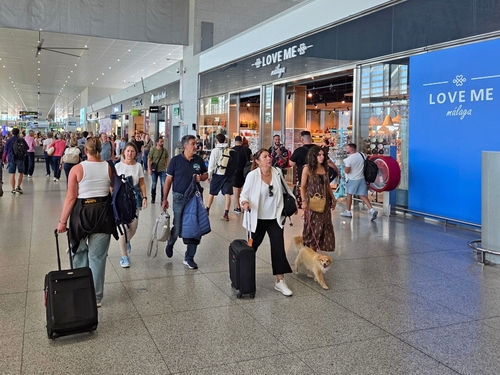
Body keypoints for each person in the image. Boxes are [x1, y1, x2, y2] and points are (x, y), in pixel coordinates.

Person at [56, 137, 117, 308]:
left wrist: (62, 222)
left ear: (86, 151)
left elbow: (71, 198)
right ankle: (96, 297)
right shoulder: (108, 167)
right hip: (103, 214)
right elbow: (112, 188)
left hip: (81, 215)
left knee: (79, 252)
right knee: (97, 258)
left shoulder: (77, 169)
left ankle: (80, 288)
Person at [240, 148, 295, 297]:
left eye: (269, 156)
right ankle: (243, 278)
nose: (269, 158)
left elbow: (286, 190)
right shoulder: (252, 175)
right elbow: (243, 195)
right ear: (257, 161)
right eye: (265, 157)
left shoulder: (277, 172)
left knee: (278, 248)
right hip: (256, 219)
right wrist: (244, 203)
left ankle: (280, 281)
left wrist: (293, 204)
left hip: (274, 218)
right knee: (250, 250)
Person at [161, 135, 208, 270]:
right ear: (185, 146)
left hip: (195, 198)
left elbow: (206, 175)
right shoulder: (175, 161)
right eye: (193, 144)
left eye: (196, 143)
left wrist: (201, 177)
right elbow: (168, 181)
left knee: (195, 227)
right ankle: (171, 242)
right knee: (178, 226)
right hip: (179, 198)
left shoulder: (198, 160)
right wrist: (164, 199)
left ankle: (189, 258)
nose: (196, 146)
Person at [115, 142, 147, 268]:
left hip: (134, 199)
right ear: (124, 152)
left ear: (136, 153)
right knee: (123, 229)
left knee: (133, 228)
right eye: (128, 151)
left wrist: (144, 197)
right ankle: (124, 256)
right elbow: (113, 185)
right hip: (121, 200)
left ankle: (126, 242)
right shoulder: (117, 166)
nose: (130, 153)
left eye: (132, 151)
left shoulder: (138, 166)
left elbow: (142, 183)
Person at [300, 145, 336, 252]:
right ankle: (312, 253)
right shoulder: (307, 168)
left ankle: (316, 252)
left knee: (324, 225)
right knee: (314, 227)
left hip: (325, 201)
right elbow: (302, 186)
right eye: (319, 155)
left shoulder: (325, 168)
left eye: (323, 155)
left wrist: (333, 198)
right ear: (313, 156)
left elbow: (328, 185)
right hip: (312, 201)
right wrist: (304, 201)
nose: (321, 157)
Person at [340, 143, 378, 221]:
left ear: (351, 149)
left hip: (352, 179)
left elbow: (347, 171)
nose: (346, 150)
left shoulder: (349, 159)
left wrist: (344, 168)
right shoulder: (361, 155)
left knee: (349, 195)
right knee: (362, 195)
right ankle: (371, 210)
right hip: (361, 178)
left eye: (347, 148)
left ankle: (348, 211)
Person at [206, 133, 235, 221]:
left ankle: (207, 209)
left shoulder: (215, 150)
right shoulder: (230, 150)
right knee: (227, 194)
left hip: (218, 174)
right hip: (228, 174)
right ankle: (226, 213)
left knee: (212, 192)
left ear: (217, 141)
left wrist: (209, 175)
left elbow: (211, 164)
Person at [2, 128, 28, 194]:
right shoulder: (22, 140)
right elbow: (27, 148)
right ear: (18, 133)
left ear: (12, 133)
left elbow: (5, 151)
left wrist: (4, 159)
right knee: (21, 173)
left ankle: (13, 189)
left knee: (12, 174)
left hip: (11, 158)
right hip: (20, 158)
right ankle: (18, 187)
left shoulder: (9, 140)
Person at [232, 135, 252, 214]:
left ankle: (238, 207)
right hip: (246, 171)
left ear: (235, 141)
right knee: (245, 189)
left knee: (237, 190)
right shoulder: (247, 150)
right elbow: (251, 158)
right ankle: (245, 206)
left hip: (236, 172)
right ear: (241, 141)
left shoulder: (232, 150)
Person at [148, 136, 169, 204]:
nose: (162, 143)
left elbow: (166, 159)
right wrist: (149, 168)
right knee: (154, 184)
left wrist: (167, 168)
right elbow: (149, 159)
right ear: (157, 142)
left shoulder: (164, 150)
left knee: (163, 184)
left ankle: (163, 199)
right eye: (161, 141)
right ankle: (153, 198)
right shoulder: (153, 150)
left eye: (163, 141)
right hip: (154, 170)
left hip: (162, 170)